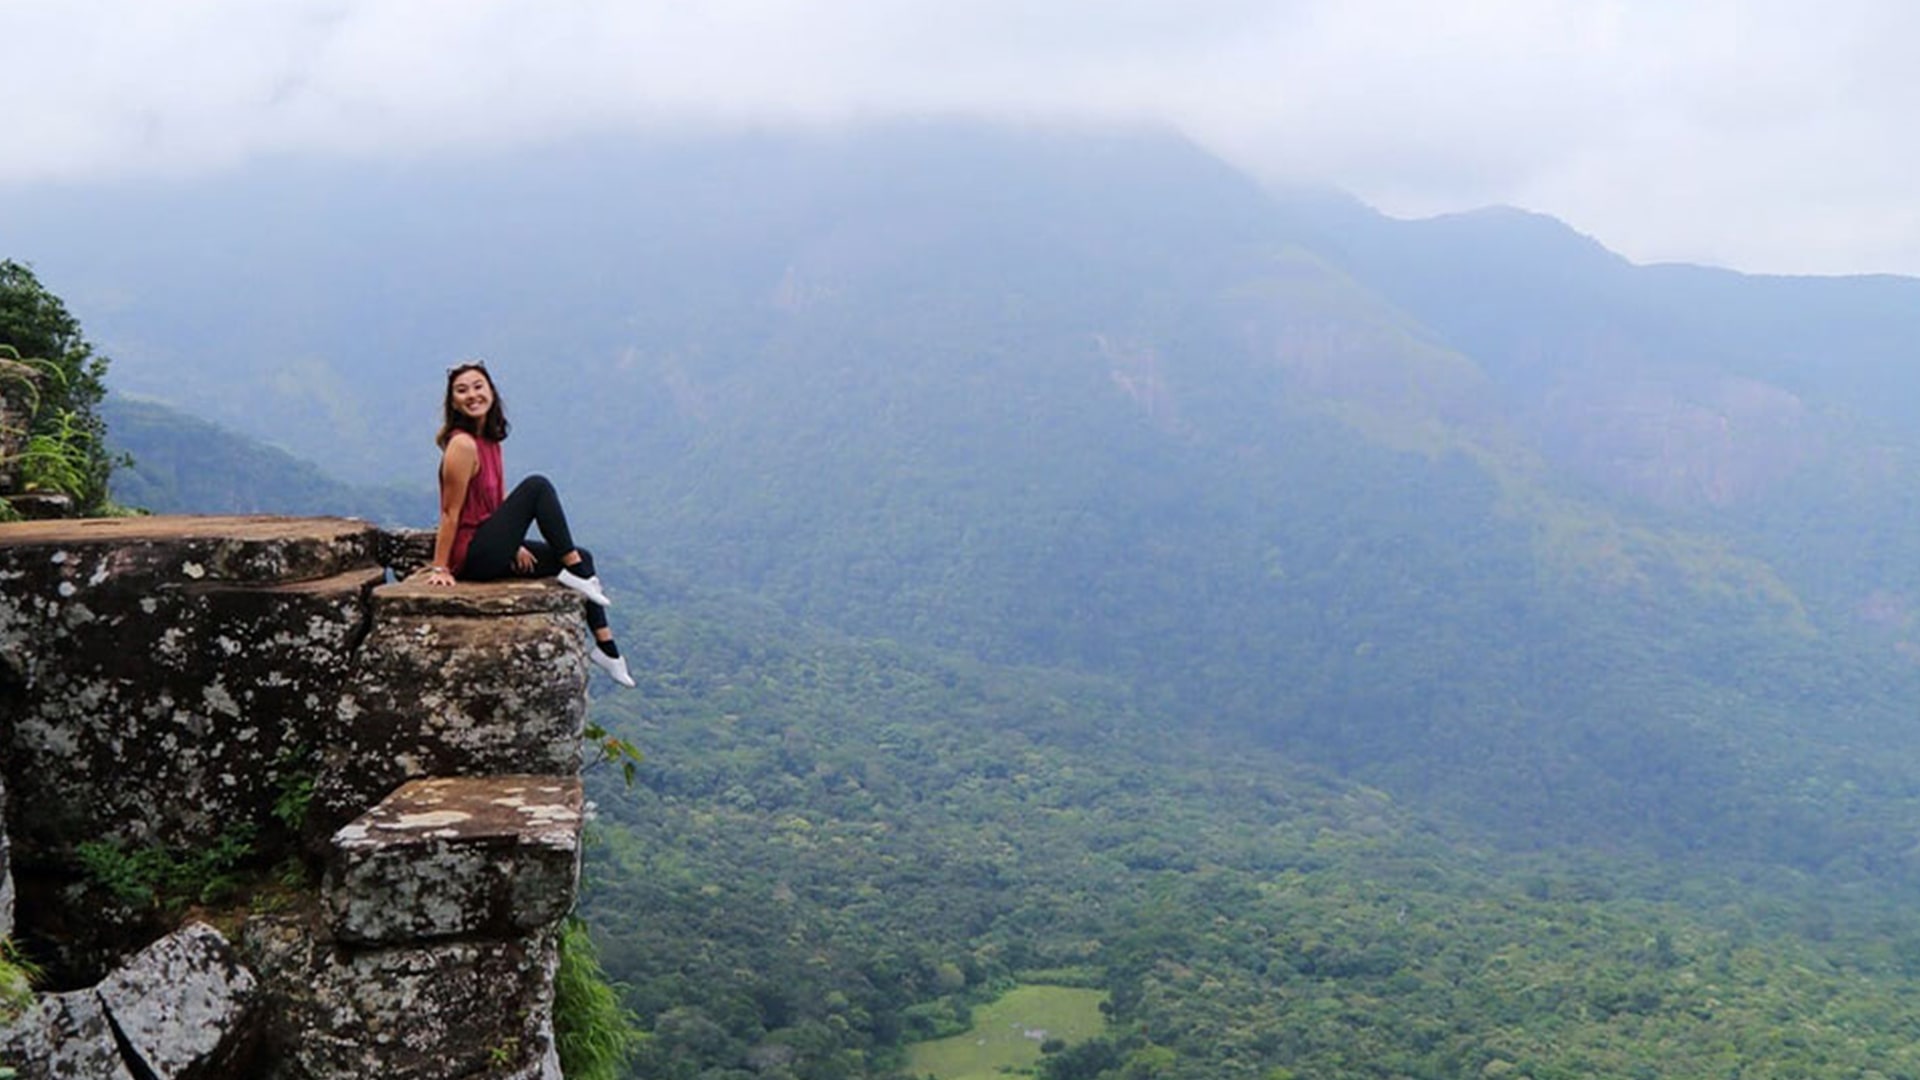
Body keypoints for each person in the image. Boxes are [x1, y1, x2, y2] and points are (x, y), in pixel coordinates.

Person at [422, 360, 635, 687]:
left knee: (585, 555)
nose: (472, 395)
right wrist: (441, 567)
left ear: (491, 391)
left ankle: (608, 650)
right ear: (453, 402)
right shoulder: (462, 444)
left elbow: (495, 506)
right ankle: (576, 571)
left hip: (493, 545)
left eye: (479, 386)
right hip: (472, 555)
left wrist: (514, 541)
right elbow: (450, 512)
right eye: (462, 390)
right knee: (537, 486)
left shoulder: (490, 441)